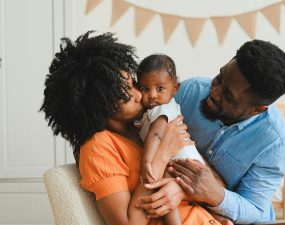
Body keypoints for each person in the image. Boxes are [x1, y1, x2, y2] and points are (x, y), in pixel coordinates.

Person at [40, 31, 228, 225]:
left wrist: (179, 189)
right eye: (127, 96)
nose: (140, 95)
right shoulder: (98, 147)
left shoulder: (146, 126)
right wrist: (162, 154)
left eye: (133, 85)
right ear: (101, 107)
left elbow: (217, 184)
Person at [137, 40, 285, 224]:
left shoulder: (277, 145)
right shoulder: (190, 91)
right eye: (220, 77)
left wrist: (208, 193)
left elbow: (254, 209)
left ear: (257, 110)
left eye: (228, 95)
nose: (214, 91)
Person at [137, 54, 206, 225]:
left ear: (175, 89)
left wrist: (146, 162)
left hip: (183, 163)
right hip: (188, 163)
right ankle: (220, 217)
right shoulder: (157, 110)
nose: (152, 95)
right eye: (145, 89)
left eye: (160, 88)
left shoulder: (162, 109)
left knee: (163, 186)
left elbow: (156, 135)